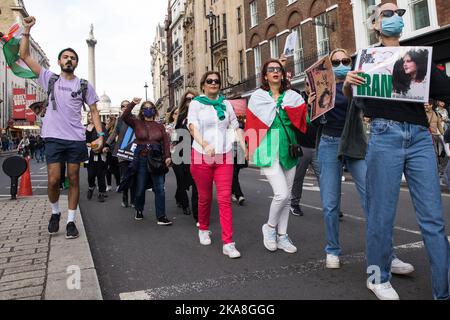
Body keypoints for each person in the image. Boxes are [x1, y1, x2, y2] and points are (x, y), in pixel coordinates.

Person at [345, 2, 450, 300]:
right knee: (381, 213)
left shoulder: (420, 60)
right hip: (384, 134)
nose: (395, 18)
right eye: (387, 14)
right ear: (376, 25)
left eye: (399, 14)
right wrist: (349, 85)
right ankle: (377, 276)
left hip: (419, 138)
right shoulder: (365, 59)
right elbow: (354, 99)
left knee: (433, 219)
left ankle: (443, 291)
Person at [20, 16, 104, 240]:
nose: (69, 60)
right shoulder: (49, 78)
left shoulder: (84, 84)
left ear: (76, 63)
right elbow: (25, 56)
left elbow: (94, 111)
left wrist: (101, 135)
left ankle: (70, 221)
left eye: (73, 58)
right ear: (59, 62)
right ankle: (55, 212)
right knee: (54, 180)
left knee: (75, 179)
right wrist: (26, 30)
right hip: (53, 138)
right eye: (65, 57)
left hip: (75, 138)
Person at [246, 59, 308, 255]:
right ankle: (270, 228)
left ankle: (282, 235)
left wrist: (312, 104)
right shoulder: (257, 97)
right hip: (268, 146)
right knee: (281, 193)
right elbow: (252, 124)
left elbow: (304, 120)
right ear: (265, 75)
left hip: (288, 147)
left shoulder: (293, 96)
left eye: (278, 69)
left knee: (288, 197)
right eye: (270, 69)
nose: (275, 72)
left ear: (282, 74)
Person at [188, 71, 246, 259]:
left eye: (216, 81)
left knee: (224, 199)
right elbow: (192, 126)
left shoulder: (226, 104)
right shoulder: (196, 104)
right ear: (203, 84)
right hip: (201, 155)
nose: (214, 83)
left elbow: (235, 126)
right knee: (204, 198)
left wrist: (244, 146)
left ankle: (228, 243)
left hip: (224, 156)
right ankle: (203, 228)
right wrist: (205, 144)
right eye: (209, 81)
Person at [122, 99, 172, 225]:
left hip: (157, 159)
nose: (148, 110)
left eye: (150, 108)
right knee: (140, 187)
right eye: (145, 108)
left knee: (160, 188)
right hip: (141, 159)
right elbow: (125, 116)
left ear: (154, 111)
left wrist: (167, 156)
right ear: (142, 112)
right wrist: (133, 103)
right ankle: (139, 209)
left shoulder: (160, 126)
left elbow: (165, 143)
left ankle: (161, 216)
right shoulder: (136, 123)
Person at [173, 91, 199, 220]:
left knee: (193, 180)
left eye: (193, 98)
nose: (191, 101)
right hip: (180, 151)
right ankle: (185, 204)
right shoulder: (181, 115)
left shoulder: (201, 114)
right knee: (181, 179)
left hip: (196, 151)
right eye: (188, 99)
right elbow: (176, 134)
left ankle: (195, 208)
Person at [86, 112, 108, 203]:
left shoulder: (101, 127)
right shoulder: (85, 128)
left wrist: (105, 147)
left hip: (100, 153)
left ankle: (101, 193)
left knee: (100, 174)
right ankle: (91, 187)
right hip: (89, 154)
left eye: (92, 115)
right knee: (90, 174)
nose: (91, 117)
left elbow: (105, 138)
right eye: (89, 116)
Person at [232, 115, 247, 206]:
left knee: (236, 174)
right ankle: (239, 195)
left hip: (239, 151)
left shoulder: (238, 123)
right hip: (228, 151)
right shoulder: (222, 122)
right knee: (233, 174)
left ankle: (232, 192)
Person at [105, 116, 121, 192]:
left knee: (115, 169)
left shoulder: (113, 130)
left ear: (111, 121)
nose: (106, 121)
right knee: (107, 169)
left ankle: (118, 185)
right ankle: (109, 185)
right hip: (106, 152)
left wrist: (108, 147)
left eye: (108, 120)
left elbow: (114, 141)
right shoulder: (105, 128)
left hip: (113, 151)